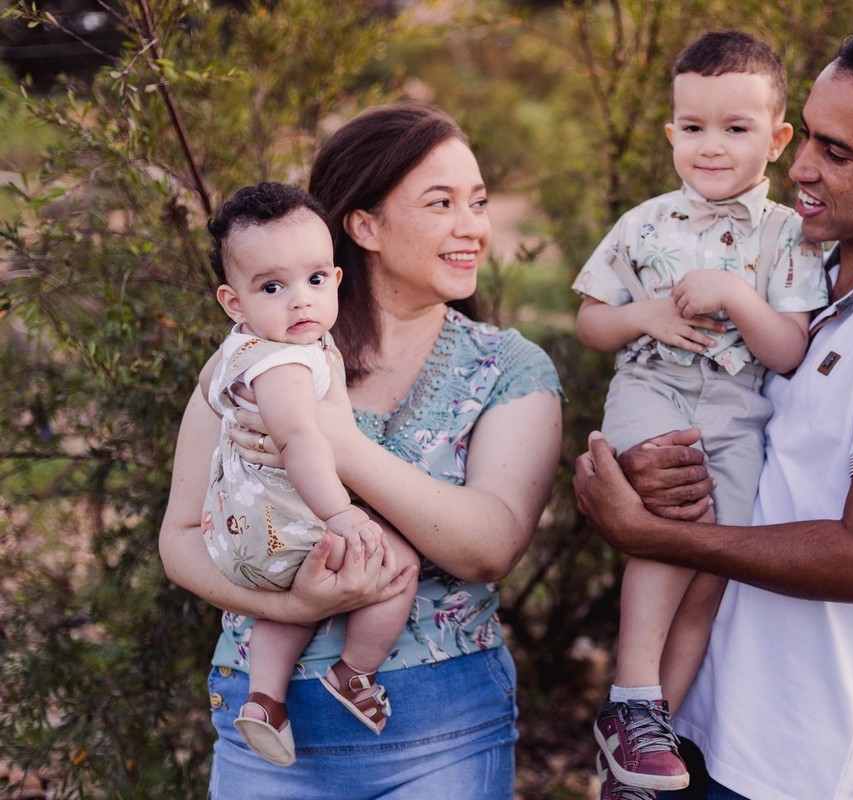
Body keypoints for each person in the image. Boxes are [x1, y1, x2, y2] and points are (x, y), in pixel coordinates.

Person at [574, 22, 853, 800]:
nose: (801, 165)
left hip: (795, 763)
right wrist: (650, 464)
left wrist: (650, 530)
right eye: (806, 134)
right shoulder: (799, 263)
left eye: (837, 153)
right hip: (687, 722)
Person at [160, 101, 563, 799]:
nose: (473, 227)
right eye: (442, 203)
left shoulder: (507, 368)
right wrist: (290, 608)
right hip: (264, 736)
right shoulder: (252, 361)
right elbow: (180, 535)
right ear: (364, 225)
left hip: (441, 737)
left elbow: (490, 545)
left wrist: (337, 442)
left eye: (479, 202)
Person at [572, 29, 827, 796]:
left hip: (737, 414)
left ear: (778, 140)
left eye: (735, 128)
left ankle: (649, 747)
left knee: (713, 568)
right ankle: (630, 703)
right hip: (654, 391)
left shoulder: (789, 234)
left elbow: (786, 349)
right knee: (673, 518)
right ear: (671, 132)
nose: (710, 146)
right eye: (693, 127)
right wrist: (643, 315)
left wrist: (740, 297)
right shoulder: (646, 223)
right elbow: (590, 320)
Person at [196, 181, 422, 767]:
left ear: (336, 280)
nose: (300, 301)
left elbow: (208, 391)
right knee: (397, 568)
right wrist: (341, 513)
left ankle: (264, 701)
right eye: (273, 287)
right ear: (234, 301)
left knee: (288, 594)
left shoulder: (237, 350)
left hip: (238, 537)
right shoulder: (290, 363)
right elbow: (301, 440)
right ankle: (355, 672)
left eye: (315, 280)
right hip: (293, 522)